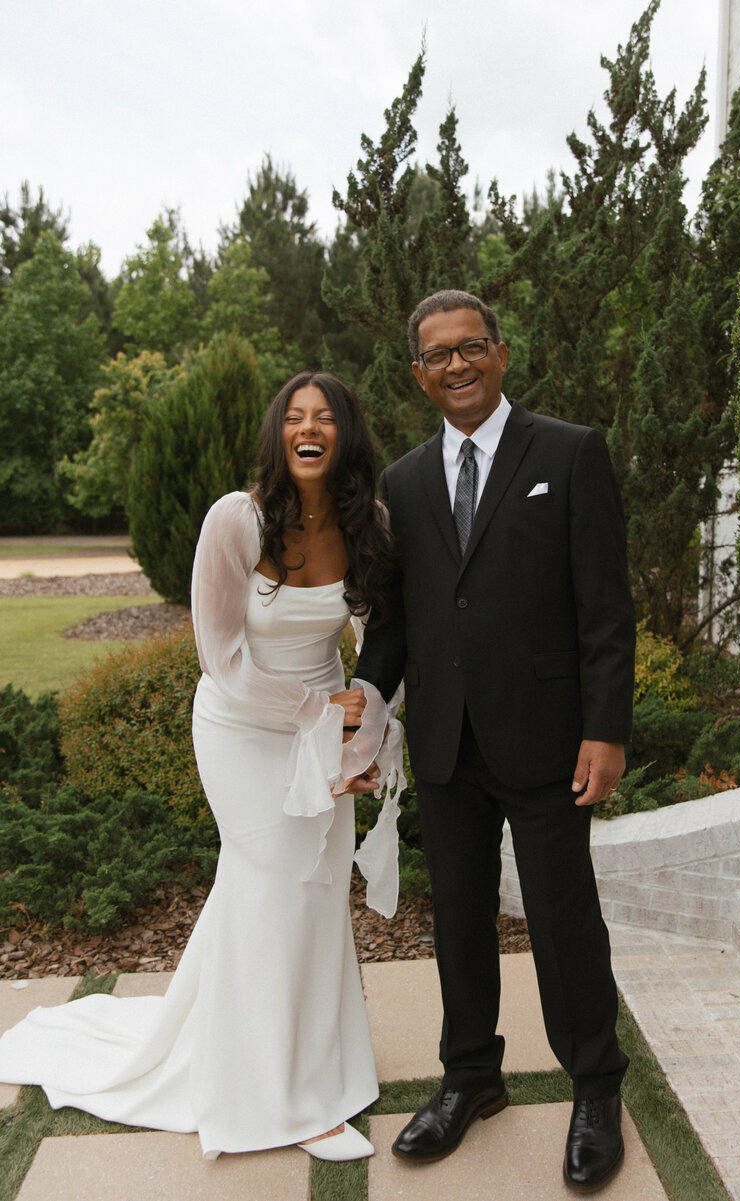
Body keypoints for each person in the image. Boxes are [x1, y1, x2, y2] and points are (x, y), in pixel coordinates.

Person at [0, 371, 405, 1163]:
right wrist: (317, 718)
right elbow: (219, 658)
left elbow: (377, 640)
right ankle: (275, 1094)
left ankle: (318, 1063)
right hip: (243, 726)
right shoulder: (236, 519)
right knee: (268, 885)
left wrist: (362, 742)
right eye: (294, 416)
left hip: (325, 723)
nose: (308, 427)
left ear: (347, 434)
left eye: (325, 417)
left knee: (316, 894)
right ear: (277, 433)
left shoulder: (370, 522)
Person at [354, 291, 636, 1192]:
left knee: (563, 920)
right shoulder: (399, 483)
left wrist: (606, 728)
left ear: (501, 355)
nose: (458, 366)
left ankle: (595, 1084)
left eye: (471, 347)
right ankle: (471, 1075)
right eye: (439, 356)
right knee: (461, 921)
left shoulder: (569, 452)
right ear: (419, 374)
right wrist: (361, 701)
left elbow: (605, 609)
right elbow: (395, 624)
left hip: (552, 741)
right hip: (445, 743)